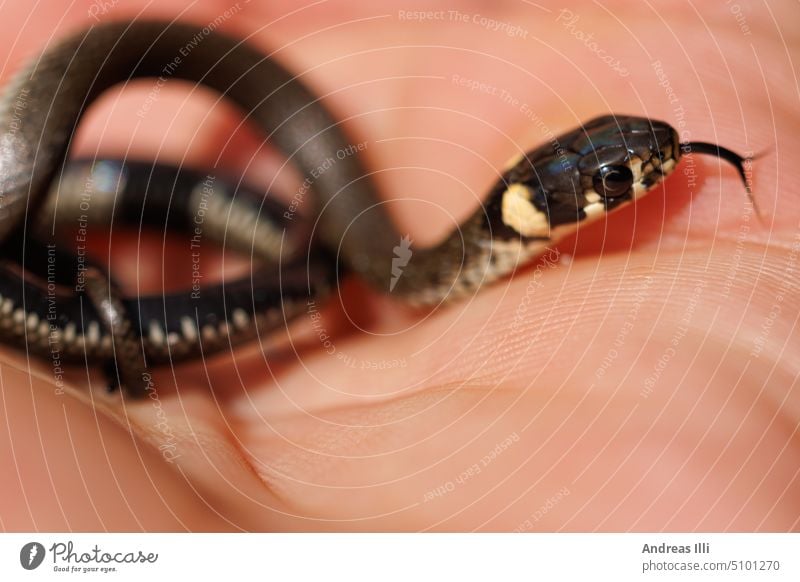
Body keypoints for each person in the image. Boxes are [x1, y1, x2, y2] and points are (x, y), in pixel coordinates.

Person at [0, 0, 796, 531]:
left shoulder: (385, 258)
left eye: (615, 179)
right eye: (615, 182)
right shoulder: (411, 260)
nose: (639, 179)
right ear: (532, 206)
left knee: (310, 262)